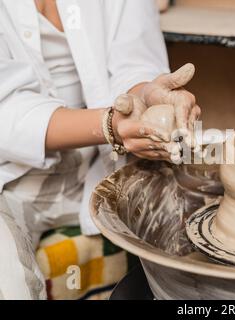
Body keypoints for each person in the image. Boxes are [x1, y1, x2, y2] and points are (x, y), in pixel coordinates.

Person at [0, 0, 200, 299]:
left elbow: (133, 61)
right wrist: (108, 124)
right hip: (9, 175)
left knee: (201, 228)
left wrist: (145, 96)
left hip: (100, 167)